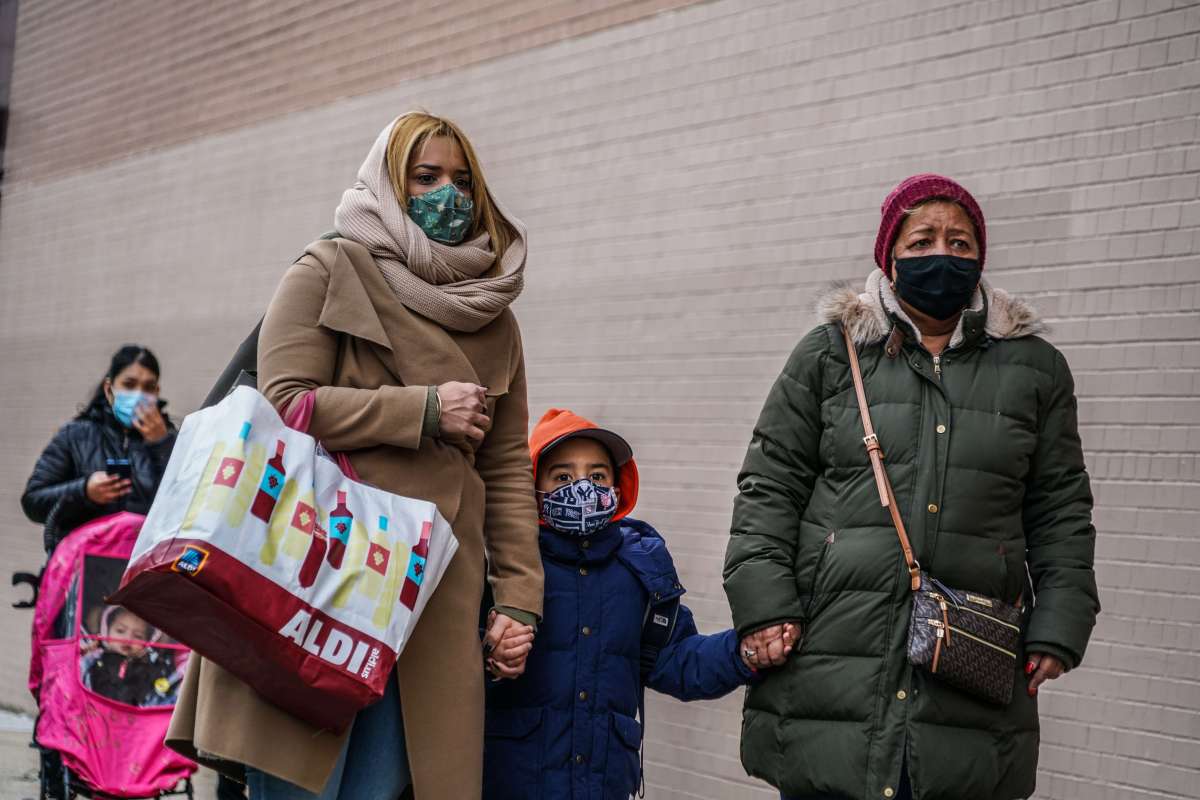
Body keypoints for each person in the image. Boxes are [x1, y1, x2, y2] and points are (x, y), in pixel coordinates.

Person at [166, 112, 544, 800]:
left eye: (462, 181)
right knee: (295, 782)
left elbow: (508, 468)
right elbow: (282, 404)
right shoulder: (329, 266)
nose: (448, 196)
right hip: (315, 579)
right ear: (391, 185)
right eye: (426, 178)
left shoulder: (496, 316)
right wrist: (423, 409)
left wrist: (519, 599)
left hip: (429, 602)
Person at [723, 174, 1100, 800]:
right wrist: (765, 606)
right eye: (921, 239)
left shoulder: (1035, 370)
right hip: (835, 650)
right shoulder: (829, 355)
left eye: (959, 240)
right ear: (889, 254)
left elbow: (1061, 509)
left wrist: (1060, 623)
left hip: (971, 664)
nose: (942, 254)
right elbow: (768, 489)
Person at [483, 408, 757, 800]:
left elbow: (677, 662)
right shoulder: (507, 567)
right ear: (532, 487)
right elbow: (453, 661)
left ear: (617, 486)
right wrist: (490, 652)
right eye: (562, 476)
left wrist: (745, 651)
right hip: (512, 784)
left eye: (597, 476)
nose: (581, 488)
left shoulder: (639, 569)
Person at [22, 345, 175, 554]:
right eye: (129, 385)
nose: (139, 395)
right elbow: (33, 502)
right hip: (85, 568)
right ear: (109, 389)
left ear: (156, 393)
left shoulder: (172, 441)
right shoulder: (76, 435)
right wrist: (84, 491)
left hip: (144, 569)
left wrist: (161, 444)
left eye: (148, 387)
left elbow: (184, 506)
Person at [81, 605, 180, 707]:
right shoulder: (94, 659)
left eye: (138, 636)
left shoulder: (149, 670)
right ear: (106, 630)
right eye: (120, 631)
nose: (128, 639)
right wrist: (85, 654)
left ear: (148, 642)